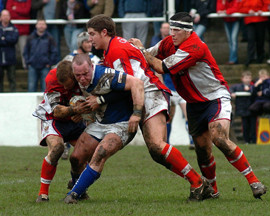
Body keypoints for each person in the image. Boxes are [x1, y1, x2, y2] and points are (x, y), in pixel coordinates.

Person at [129, 12, 267, 199]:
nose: (173, 33)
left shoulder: (195, 46)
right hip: (194, 103)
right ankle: (213, 191)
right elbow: (148, 55)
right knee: (202, 150)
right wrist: (132, 49)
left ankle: (254, 181)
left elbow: (161, 66)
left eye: (177, 30)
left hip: (215, 98)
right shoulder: (168, 42)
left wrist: (141, 49)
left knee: (218, 137)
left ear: (188, 32)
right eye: (172, 29)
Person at [86, 14, 214, 201]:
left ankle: (198, 183)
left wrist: (102, 102)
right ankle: (199, 182)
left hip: (151, 92)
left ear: (104, 32)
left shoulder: (116, 50)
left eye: (91, 34)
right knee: (156, 153)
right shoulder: (112, 49)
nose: (89, 39)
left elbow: (132, 83)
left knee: (156, 144)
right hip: (148, 92)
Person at [63, 53, 145, 203]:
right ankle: (80, 191)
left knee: (100, 154)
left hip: (121, 124)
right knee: (76, 158)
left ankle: (73, 194)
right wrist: (80, 112)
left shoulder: (106, 75)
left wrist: (137, 113)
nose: (82, 78)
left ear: (92, 67)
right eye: (78, 75)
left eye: (85, 74)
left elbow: (137, 83)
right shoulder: (79, 80)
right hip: (100, 123)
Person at [32, 60, 91, 202]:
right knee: (57, 148)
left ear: (74, 76)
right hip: (53, 119)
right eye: (62, 83)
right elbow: (57, 111)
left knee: (87, 153)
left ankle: (77, 186)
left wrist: (82, 113)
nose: (64, 87)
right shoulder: (51, 78)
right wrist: (75, 110)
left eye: (67, 83)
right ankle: (43, 194)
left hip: (73, 120)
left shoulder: (83, 76)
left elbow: (91, 100)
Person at [61, 31, 100, 160]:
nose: (89, 44)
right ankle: (65, 144)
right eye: (86, 42)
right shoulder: (68, 58)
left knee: (87, 122)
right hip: (72, 97)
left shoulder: (94, 59)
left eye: (90, 41)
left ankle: (87, 148)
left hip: (88, 96)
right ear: (80, 43)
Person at [23, 19, 58, 92]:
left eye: (43, 24)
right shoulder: (30, 37)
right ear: (36, 25)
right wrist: (28, 62)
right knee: (31, 87)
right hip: (32, 65)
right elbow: (26, 51)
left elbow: (54, 51)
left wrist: (50, 63)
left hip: (45, 66)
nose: (41, 26)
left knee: (45, 87)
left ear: (46, 26)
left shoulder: (50, 38)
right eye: (39, 24)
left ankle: (45, 103)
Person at [238, 0, 269, 66]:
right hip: (250, 20)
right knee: (250, 39)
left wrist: (262, 10)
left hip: (260, 19)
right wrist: (248, 11)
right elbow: (240, 8)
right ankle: (250, 57)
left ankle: (260, 57)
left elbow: (267, 5)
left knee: (260, 39)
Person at [230, 71, 256, 144]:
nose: (248, 79)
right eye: (246, 78)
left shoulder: (254, 86)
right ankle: (246, 140)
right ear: (242, 79)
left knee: (253, 126)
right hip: (243, 110)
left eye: (249, 78)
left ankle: (253, 141)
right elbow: (230, 89)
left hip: (252, 109)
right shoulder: (238, 87)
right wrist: (232, 93)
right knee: (245, 126)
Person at [6, 0, 31, 69]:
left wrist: (15, 8)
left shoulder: (27, 1)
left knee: (24, 49)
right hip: (13, 30)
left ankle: (25, 66)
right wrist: (21, 12)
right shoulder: (10, 0)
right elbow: (10, 12)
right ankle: (12, 67)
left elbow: (26, 11)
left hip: (24, 30)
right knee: (13, 50)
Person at [0, 9, 19, 92]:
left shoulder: (13, 28)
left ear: (10, 17)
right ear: (0, 17)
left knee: (12, 78)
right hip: (0, 58)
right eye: (3, 15)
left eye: (7, 15)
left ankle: (13, 95)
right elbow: (10, 40)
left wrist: (3, 39)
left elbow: (14, 40)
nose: (5, 17)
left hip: (10, 57)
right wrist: (7, 40)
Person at [216, 0, 240, 65]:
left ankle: (233, 59)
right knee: (230, 40)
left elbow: (236, 8)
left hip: (235, 21)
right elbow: (219, 10)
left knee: (233, 39)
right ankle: (233, 59)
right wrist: (223, 3)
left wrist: (226, 11)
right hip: (226, 21)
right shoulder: (221, 1)